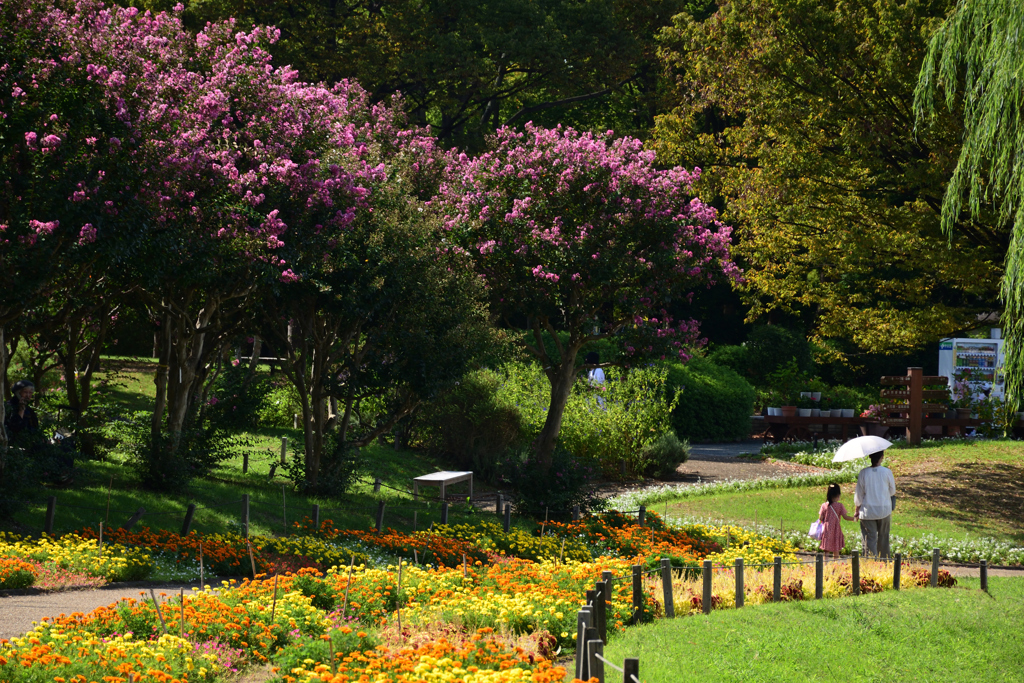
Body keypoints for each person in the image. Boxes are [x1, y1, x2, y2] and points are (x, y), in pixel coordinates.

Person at [854, 450, 897, 559]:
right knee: (884, 539)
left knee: (869, 540)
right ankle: (884, 564)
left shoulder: (863, 472)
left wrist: (856, 510)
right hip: (884, 510)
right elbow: (892, 492)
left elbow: (859, 495)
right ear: (882, 457)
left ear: (870, 457)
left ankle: (871, 565)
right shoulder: (887, 472)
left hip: (868, 511)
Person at [818, 483, 855, 558]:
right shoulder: (840, 506)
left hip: (826, 528)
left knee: (826, 548)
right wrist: (854, 518)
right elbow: (845, 517)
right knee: (836, 547)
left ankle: (826, 564)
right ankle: (835, 564)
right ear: (838, 495)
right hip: (836, 529)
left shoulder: (824, 505)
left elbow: (820, 518)